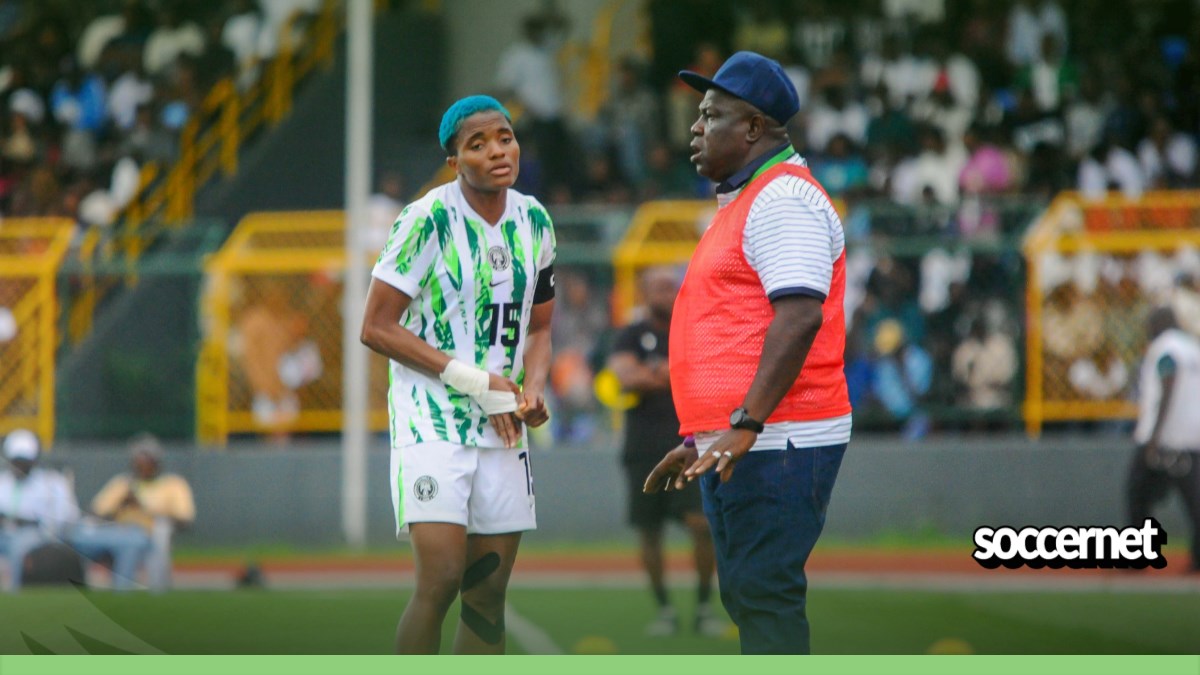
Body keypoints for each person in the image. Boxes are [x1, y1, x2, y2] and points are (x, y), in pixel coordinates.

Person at [644, 51, 852, 654]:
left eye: (712, 115)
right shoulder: (750, 197)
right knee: (748, 595)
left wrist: (745, 423)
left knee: (764, 596)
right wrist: (703, 437)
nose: (695, 128)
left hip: (778, 437)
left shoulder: (782, 198)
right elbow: (738, 327)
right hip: (749, 436)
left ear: (755, 128)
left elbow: (799, 316)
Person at [360, 95, 555, 655]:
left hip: (503, 429)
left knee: (487, 594)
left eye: (505, 137)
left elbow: (541, 328)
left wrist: (533, 388)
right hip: (432, 423)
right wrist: (477, 382)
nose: (497, 151)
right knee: (442, 579)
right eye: (478, 144)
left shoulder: (536, 221)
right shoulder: (426, 220)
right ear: (454, 162)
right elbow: (375, 327)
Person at [608, 267, 721, 637]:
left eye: (671, 286)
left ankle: (703, 607)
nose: (667, 293)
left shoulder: (692, 331)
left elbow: (707, 374)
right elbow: (626, 377)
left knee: (701, 525)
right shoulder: (630, 334)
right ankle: (665, 610)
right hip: (643, 448)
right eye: (658, 287)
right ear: (644, 293)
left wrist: (655, 373)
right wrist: (677, 374)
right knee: (649, 531)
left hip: (689, 445)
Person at [1127, 308, 1200, 573]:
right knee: (1194, 501)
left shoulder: (1165, 348)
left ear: (1160, 323)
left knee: (1137, 494)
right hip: (1193, 436)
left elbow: (1169, 380)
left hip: (1166, 437)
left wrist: (1155, 436)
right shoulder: (1192, 348)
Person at [79, 434, 195, 592]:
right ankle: (74, 586)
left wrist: (142, 507)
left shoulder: (173, 484)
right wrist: (121, 505)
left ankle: (124, 590)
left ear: (156, 461)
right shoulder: (123, 483)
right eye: (139, 460)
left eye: (147, 460)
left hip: (149, 534)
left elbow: (184, 520)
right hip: (116, 532)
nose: (142, 465)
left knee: (131, 543)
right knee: (81, 535)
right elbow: (95, 512)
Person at [0, 430, 80, 592]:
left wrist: (29, 521)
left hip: (35, 535)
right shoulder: (3, 481)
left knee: (18, 547)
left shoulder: (50, 482)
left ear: (33, 461)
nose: (20, 467)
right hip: (4, 534)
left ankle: (14, 594)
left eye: (24, 462)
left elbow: (66, 516)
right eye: (16, 462)